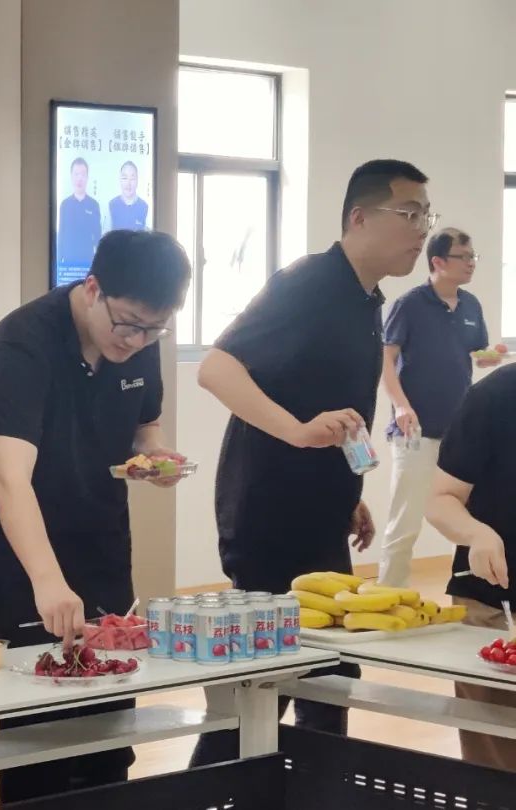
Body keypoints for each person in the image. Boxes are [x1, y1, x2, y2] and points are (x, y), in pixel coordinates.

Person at [192, 159, 433, 765]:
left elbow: (328, 404)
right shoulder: (308, 283)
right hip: (269, 519)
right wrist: (297, 434)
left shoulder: (365, 298)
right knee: (258, 697)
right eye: (409, 214)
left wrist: (345, 491)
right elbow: (216, 368)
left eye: (426, 216)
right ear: (359, 217)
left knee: (329, 686)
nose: (421, 229)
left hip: (318, 518)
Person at [0, 229, 191, 803]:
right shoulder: (22, 342)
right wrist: (47, 579)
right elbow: (7, 477)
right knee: (37, 725)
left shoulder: (141, 339)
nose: (138, 340)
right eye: (128, 324)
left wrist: (155, 457)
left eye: (155, 330)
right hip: (23, 553)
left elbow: (145, 424)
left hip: (102, 538)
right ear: (92, 288)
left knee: (112, 715)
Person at [378, 228, 502, 586]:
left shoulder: (471, 305)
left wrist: (490, 357)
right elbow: (385, 361)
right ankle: (388, 597)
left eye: (473, 256)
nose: (471, 263)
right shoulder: (409, 305)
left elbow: (477, 355)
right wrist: (401, 406)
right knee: (405, 523)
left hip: (458, 432)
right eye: (464, 256)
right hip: (414, 433)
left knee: (463, 519)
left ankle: (466, 593)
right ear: (438, 261)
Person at [426, 364, 516, 771]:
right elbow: (441, 498)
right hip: (496, 608)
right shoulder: (496, 396)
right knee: (496, 766)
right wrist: (476, 534)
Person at [56, 158, 102, 270]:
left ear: (87, 178)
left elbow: (98, 236)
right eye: (76, 174)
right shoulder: (65, 205)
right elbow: (61, 235)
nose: (79, 178)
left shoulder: (94, 205)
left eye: (83, 175)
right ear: (71, 177)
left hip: (88, 263)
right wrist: (59, 261)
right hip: (68, 264)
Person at [107, 161, 149, 231]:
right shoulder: (111, 205)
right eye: (124, 178)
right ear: (120, 180)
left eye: (132, 179)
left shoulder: (145, 207)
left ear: (137, 181)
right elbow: (105, 235)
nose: (128, 183)